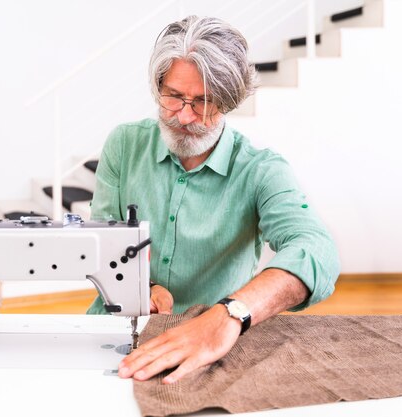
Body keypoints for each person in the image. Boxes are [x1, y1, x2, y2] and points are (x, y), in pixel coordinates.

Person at [87, 15, 340, 384]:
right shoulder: (124, 145)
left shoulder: (260, 170)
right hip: (112, 327)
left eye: (204, 103)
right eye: (173, 96)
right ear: (158, 87)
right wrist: (143, 288)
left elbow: (317, 250)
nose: (185, 116)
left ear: (230, 101)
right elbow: (99, 246)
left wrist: (231, 313)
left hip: (210, 343)